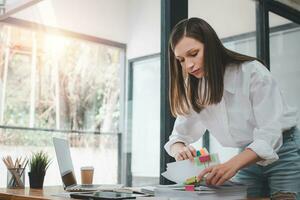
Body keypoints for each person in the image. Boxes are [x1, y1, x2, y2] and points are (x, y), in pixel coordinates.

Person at [164, 17, 300, 199]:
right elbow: (178, 137)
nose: (188, 65)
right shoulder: (195, 88)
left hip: (284, 150)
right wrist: (179, 150)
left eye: (194, 53)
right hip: (246, 157)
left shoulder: (252, 73)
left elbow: (270, 134)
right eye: (181, 60)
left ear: (210, 46)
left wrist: (231, 165)